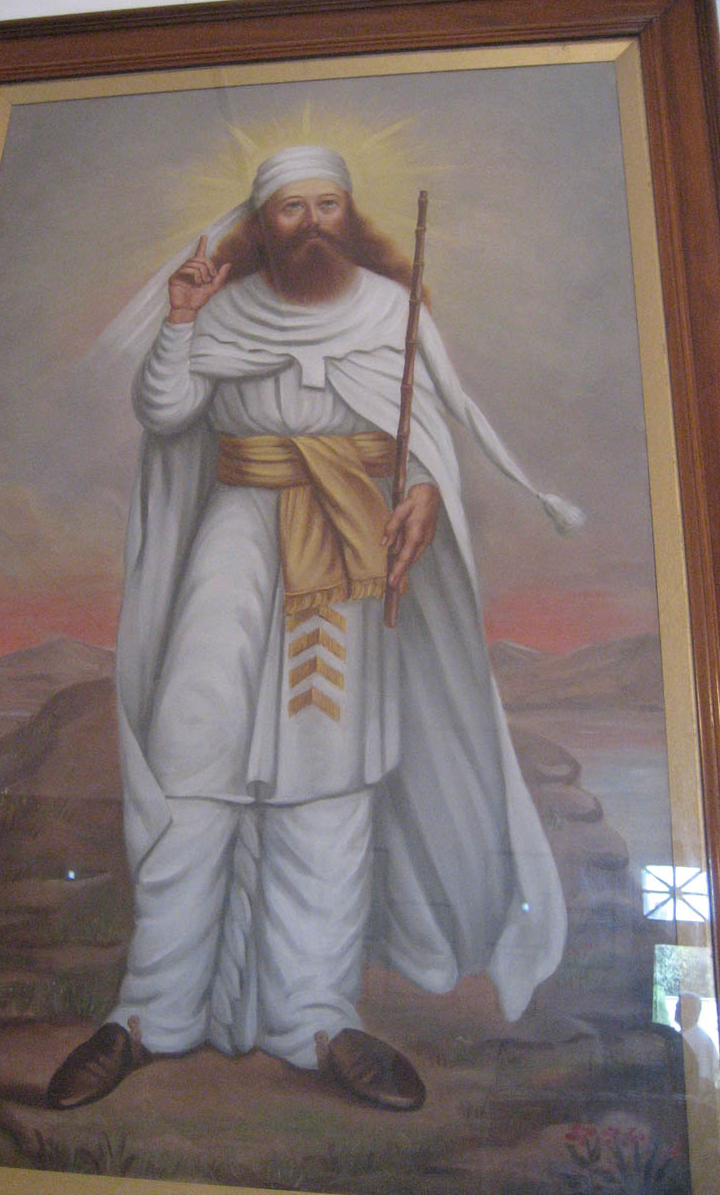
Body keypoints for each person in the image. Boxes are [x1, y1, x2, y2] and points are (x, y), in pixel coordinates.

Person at [48, 145, 578, 1111]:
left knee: (331, 783)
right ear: (263, 222)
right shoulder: (224, 311)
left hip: (348, 540)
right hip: (237, 538)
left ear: (351, 213)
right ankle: (148, 1014)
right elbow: (168, 413)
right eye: (292, 210)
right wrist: (181, 321)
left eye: (328, 206)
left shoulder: (391, 311)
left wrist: (424, 490)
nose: (313, 226)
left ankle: (320, 1021)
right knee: (191, 760)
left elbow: (425, 435)